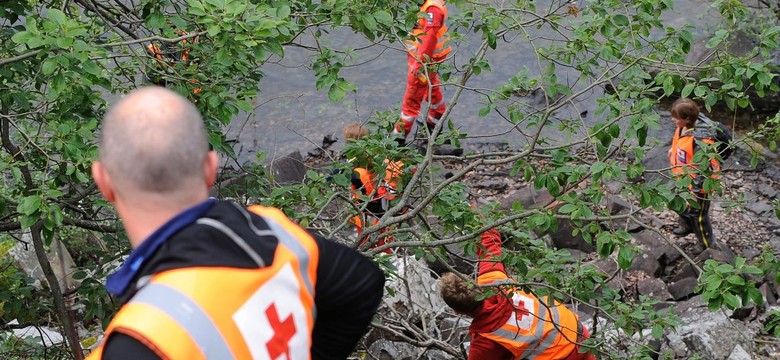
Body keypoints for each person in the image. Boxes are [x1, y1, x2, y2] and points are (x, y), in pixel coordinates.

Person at [87, 87, 385, 359]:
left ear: (103, 182)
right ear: (210, 168)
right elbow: (364, 282)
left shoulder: (137, 340)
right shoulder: (275, 231)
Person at [439, 228, 595, 359]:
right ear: (475, 284)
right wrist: (475, 216)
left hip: (562, 356)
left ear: (457, 311)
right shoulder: (494, 278)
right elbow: (489, 238)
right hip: (579, 334)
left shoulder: (485, 341)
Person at [393, 0, 452, 145]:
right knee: (431, 85)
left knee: (412, 97)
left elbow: (430, 36)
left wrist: (419, 63)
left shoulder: (432, 9)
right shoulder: (429, 4)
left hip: (424, 60)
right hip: (424, 58)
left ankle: (398, 137)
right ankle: (436, 117)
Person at [667, 97, 721, 249]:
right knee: (676, 203)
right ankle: (687, 226)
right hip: (682, 178)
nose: (672, 120)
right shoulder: (683, 127)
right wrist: (673, 150)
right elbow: (682, 145)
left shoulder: (702, 141)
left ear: (687, 119)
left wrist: (695, 193)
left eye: (675, 118)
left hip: (699, 187)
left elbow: (704, 171)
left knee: (698, 216)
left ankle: (707, 245)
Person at [343, 123, 404, 252]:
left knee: (368, 248)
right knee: (387, 244)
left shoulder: (357, 172)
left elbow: (362, 195)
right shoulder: (384, 160)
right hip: (389, 213)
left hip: (369, 217)